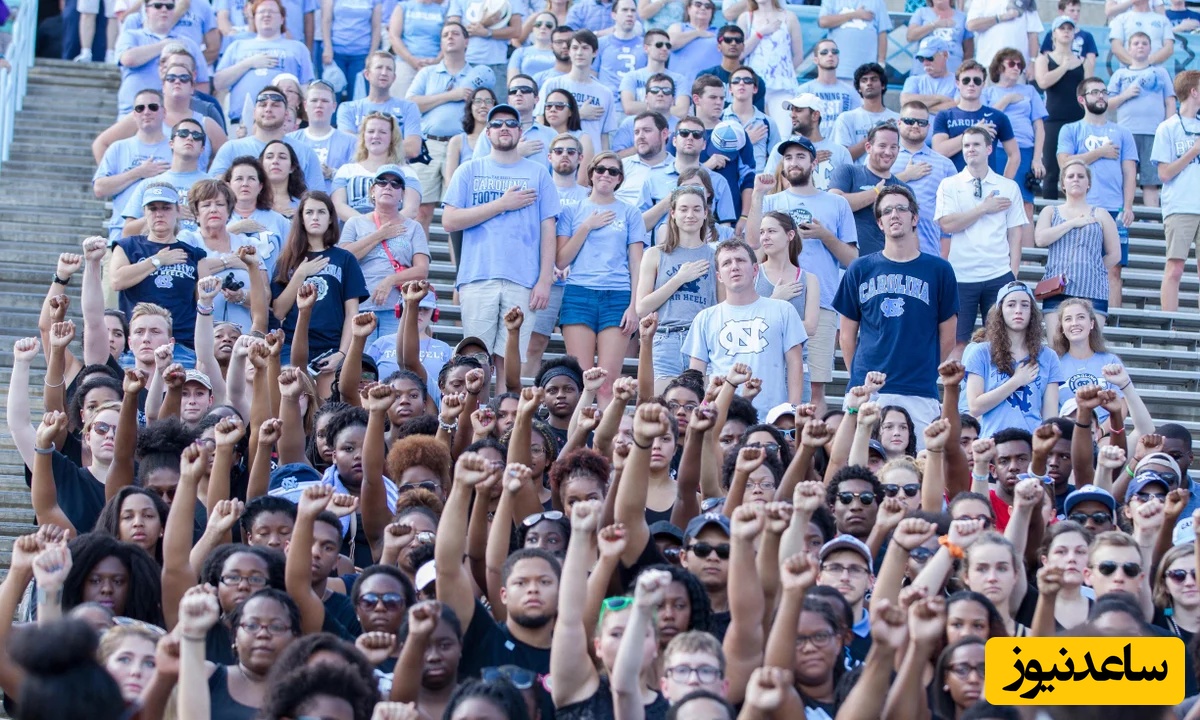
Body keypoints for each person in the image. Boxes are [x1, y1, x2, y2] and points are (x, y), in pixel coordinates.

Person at [442, 103, 561, 393]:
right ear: (487, 132)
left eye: (510, 123)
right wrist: (501, 205)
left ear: (521, 132)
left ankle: (505, 421)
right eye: (496, 124)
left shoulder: (539, 173)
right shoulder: (469, 170)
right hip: (478, 276)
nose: (504, 128)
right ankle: (476, 418)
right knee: (476, 359)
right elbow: (449, 221)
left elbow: (549, 230)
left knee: (510, 359)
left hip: (523, 279)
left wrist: (545, 279)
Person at [835, 186, 958, 440]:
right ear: (879, 223)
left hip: (918, 389)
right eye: (887, 211)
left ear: (914, 218)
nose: (894, 215)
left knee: (921, 467)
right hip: (868, 388)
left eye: (901, 209)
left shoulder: (939, 270)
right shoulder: (860, 269)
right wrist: (859, 377)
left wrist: (926, 371)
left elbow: (948, 336)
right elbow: (846, 336)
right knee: (860, 465)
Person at [747, 136, 856, 414]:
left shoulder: (836, 203)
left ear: (813, 162)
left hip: (822, 302)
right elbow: (753, 246)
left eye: (800, 157)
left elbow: (852, 260)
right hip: (771, 296)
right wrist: (758, 196)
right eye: (789, 158)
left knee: (815, 386)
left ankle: (811, 449)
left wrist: (824, 235)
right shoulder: (771, 201)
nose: (793, 163)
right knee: (765, 374)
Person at [555, 152, 645, 404]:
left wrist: (634, 306)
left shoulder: (630, 212)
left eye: (613, 171)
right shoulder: (573, 211)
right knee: (583, 381)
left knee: (607, 384)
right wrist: (586, 226)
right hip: (578, 294)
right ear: (591, 173)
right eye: (600, 169)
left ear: (620, 179)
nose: (606, 174)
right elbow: (561, 260)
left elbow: (637, 262)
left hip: (617, 296)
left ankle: (606, 443)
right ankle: (577, 440)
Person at [684, 239, 807, 416]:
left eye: (740, 260)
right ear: (719, 276)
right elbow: (696, 374)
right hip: (722, 418)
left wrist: (792, 410)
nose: (734, 267)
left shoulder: (783, 310)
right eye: (727, 263)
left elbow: (795, 363)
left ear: (755, 269)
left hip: (772, 418)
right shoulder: (705, 318)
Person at [935, 125, 1027, 356]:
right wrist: (983, 208)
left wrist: (1012, 272)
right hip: (961, 274)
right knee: (956, 342)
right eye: (966, 145)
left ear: (989, 148)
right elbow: (947, 224)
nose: (970, 149)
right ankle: (952, 391)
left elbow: (1015, 233)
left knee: (1000, 341)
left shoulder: (1008, 186)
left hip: (998, 273)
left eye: (976, 144)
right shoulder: (949, 184)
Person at [406, 23, 497, 235]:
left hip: (465, 146)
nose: (450, 37)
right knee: (422, 210)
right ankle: (420, 265)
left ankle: (460, 267)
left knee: (459, 213)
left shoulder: (479, 73)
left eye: (455, 33)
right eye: (445, 34)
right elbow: (410, 105)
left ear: (467, 41)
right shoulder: (428, 73)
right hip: (430, 146)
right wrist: (450, 95)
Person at [1057, 76, 1137, 311]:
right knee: (1075, 264)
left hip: (1112, 208)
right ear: (1082, 99)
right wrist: (1100, 152)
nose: (1101, 96)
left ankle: (1108, 323)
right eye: (1094, 92)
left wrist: (1128, 205)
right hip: (1078, 209)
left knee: (1114, 267)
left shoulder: (1123, 132)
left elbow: (1129, 171)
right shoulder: (1070, 129)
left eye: (1104, 92)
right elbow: (1064, 163)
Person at [271, 191, 369, 367]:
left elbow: (352, 313)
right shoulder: (287, 259)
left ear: (331, 218)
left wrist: (342, 353)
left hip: (332, 346)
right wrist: (300, 274)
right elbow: (278, 311)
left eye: (321, 212)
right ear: (301, 218)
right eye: (309, 212)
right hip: (291, 345)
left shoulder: (345, 259)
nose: (315, 217)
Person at [635, 185, 718, 389]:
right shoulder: (655, 254)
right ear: (672, 213)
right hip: (665, 338)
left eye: (697, 209)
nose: (690, 215)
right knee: (661, 409)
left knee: (700, 411)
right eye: (683, 209)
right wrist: (679, 279)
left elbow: (723, 305)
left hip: (702, 341)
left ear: (705, 213)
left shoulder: (715, 255)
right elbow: (642, 308)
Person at [337, 164, 431, 340]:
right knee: (361, 365)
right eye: (382, 182)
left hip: (399, 309)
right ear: (373, 190)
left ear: (402, 194)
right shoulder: (355, 223)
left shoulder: (414, 227)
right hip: (359, 308)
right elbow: (344, 258)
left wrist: (390, 280)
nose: (388, 186)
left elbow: (422, 270)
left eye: (396, 184)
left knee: (394, 363)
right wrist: (380, 235)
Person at [1033, 160, 1121, 336]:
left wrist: (1093, 269)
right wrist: (1073, 223)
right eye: (1070, 176)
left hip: (1092, 290)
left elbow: (1115, 254)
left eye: (1081, 176)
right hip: (1057, 288)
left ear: (1088, 183)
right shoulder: (1051, 211)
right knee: (1057, 347)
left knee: (1090, 347)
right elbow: (1041, 239)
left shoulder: (1100, 214)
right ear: (1062, 183)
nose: (1076, 179)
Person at [964, 281, 1063, 436]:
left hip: (1031, 446)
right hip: (992, 443)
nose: (1018, 310)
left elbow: (1050, 417)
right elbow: (975, 407)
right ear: (1000, 311)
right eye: (1011, 305)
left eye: (1025, 305)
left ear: (1032, 312)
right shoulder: (980, 353)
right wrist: (1016, 381)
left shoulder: (1049, 357)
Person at [982, 48, 1046, 247]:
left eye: (1020, 65)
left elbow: (1039, 126)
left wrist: (1037, 158)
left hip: (1025, 150)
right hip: (996, 150)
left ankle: (1027, 256)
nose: (1017, 68)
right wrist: (1008, 99)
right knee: (996, 201)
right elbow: (987, 118)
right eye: (1012, 64)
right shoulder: (988, 92)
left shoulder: (1030, 91)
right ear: (999, 66)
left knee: (1025, 203)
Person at [213, 0, 314, 126]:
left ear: (282, 18)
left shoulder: (298, 48)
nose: (267, 15)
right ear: (253, 17)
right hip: (242, 122)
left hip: (284, 122)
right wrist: (249, 63)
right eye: (261, 12)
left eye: (272, 11)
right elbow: (219, 83)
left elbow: (305, 88)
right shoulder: (236, 46)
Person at [210, 85, 327, 192]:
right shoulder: (231, 148)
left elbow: (317, 196)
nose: (268, 109)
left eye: (275, 105)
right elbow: (214, 187)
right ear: (254, 112)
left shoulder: (305, 152)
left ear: (286, 114)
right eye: (263, 105)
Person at [93, 89, 172, 246]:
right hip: (121, 234)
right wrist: (139, 172)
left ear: (164, 112)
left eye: (153, 107)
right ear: (134, 114)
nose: (146, 112)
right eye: (140, 108)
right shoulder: (118, 148)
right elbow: (100, 188)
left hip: (166, 237)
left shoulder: (175, 147)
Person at [1107, 32, 1175, 209]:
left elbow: (1170, 101)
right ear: (1129, 48)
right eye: (1136, 43)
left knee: (1151, 180)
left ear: (1150, 48)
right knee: (1124, 177)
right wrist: (1126, 94)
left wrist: (1168, 129)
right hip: (1126, 133)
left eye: (1144, 43)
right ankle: (1121, 215)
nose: (1140, 46)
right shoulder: (1120, 74)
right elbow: (1108, 104)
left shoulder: (1160, 72)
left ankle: (1152, 220)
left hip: (1153, 132)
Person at [1153, 70, 1200, 312]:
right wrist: (1193, 152)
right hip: (1180, 205)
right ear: (1194, 91)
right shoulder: (1167, 127)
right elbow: (1164, 173)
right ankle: (1170, 322)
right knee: (1176, 267)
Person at [829, 121, 911, 257]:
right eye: (882, 146)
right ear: (868, 147)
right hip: (846, 266)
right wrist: (876, 193)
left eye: (894, 147)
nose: (888, 152)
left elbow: (910, 235)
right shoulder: (848, 172)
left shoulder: (904, 189)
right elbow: (834, 204)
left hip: (885, 268)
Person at [113, 2, 210, 116]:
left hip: (175, 115)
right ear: (146, 10)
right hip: (134, 111)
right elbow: (128, 59)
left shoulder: (188, 43)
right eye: (158, 5)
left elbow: (202, 82)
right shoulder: (131, 35)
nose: (164, 10)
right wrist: (163, 45)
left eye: (169, 7)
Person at [932, 61, 1019, 176]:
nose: (971, 84)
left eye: (977, 81)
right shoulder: (944, 116)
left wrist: (1006, 184)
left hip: (986, 185)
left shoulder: (997, 116)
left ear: (983, 84)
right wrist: (974, 131)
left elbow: (1014, 155)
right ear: (957, 83)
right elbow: (939, 152)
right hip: (952, 185)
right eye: (966, 80)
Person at [539, 30, 620, 153]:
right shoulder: (552, 84)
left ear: (595, 52)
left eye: (585, 48)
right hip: (559, 156)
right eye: (575, 48)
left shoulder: (605, 92)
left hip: (592, 160)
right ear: (569, 52)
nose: (579, 53)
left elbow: (604, 136)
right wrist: (580, 114)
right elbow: (541, 123)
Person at [894, 101, 957, 257]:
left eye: (921, 122)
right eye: (909, 121)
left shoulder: (945, 164)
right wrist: (905, 176)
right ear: (899, 123)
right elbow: (871, 192)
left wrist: (945, 252)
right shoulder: (883, 157)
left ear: (929, 127)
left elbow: (953, 211)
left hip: (930, 250)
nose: (915, 125)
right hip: (884, 248)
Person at [331, 113, 423, 221]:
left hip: (392, 233)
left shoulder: (406, 172)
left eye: (382, 132)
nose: (375, 136)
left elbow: (411, 210)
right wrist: (366, 224)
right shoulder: (346, 171)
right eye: (371, 131)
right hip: (354, 233)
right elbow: (338, 206)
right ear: (363, 136)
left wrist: (382, 228)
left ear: (392, 138)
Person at [1034, 17, 1087, 202]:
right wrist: (1064, 66)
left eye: (1069, 28)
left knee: (1079, 168)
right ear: (1054, 33)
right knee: (1051, 171)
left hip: (1079, 118)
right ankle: (1050, 212)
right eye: (1062, 28)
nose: (1066, 31)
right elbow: (1043, 82)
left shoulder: (1082, 60)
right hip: (1054, 119)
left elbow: (1087, 88)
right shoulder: (1044, 58)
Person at [690, 75, 754, 224]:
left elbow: (748, 179)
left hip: (731, 219)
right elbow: (673, 178)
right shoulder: (684, 133)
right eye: (713, 97)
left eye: (722, 98)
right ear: (696, 99)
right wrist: (705, 167)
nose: (719, 102)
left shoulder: (737, 133)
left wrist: (744, 217)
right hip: (690, 219)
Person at [336, 52, 423, 158]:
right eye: (379, 67)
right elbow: (347, 145)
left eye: (389, 69)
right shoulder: (348, 108)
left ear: (394, 77)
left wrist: (367, 143)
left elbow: (412, 149)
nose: (384, 73)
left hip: (395, 170)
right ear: (367, 74)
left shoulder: (408, 108)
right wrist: (393, 145)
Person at [735, 0, 803, 137]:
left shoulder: (789, 17)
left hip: (782, 89)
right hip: (754, 90)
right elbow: (740, 53)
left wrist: (783, 73)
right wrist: (761, 32)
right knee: (754, 137)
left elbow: (798, 56)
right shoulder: (746, 18)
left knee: (782, 136)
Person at [764, 92, 852, 191]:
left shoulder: (841, 152)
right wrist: (805, 161)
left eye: (798, 110)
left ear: (815, 115)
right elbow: (768, 187)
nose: (792, 115)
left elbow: (849, 191)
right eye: (792, 110)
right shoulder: (781, 149)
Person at [285, 80, 357, 194]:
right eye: (314, 100)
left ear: (334, 106)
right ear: (305, 105)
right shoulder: (289, 140)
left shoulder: (351, 142)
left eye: (324, 101)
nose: (319, 105)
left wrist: (333, 173)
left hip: (336, 206)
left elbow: (356, 180)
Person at [446, 0, 523, 102]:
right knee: (464, 109)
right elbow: (452, 30)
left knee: (497, 108)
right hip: (466, 65)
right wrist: (484, 22)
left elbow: (516, 31)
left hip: (498, 65)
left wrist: (488, 32)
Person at [833, 63, 899, 164]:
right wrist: (872, 136)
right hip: (856, 177)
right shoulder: (846, 118)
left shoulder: (897, 119)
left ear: (883, 85)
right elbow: (841, 158)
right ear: (859, 88)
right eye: (864, 80)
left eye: (874, 79)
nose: (869, 83)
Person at [795, 39, 861, 137]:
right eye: (824, 52)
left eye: (835, 52)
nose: (830, 55)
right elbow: (797, 127)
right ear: (815, 59)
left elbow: (856, 125)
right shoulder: (804, 90)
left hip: (842, 148)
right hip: (813, 148)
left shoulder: (851, 91)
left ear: (838, 57)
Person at [320, 0, 383, 103]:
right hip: (336, 54)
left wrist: (372, 55)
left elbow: (376, 26)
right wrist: (327, 48)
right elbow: (326, 21)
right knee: (332, 96)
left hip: (361, 55)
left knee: (358, 97)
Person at [621, 29, 690, 119]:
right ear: (646, 48)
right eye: (659, 45)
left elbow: (681, 111)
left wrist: (645, 107)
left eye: (668, 45)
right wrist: (663, 108)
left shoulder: (679, 79)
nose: (665, 48)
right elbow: (629, 107)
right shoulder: (631, 77)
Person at [817, 0, 891, 82]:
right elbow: (823, 22)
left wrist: (881, 63)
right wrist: (855, 15)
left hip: (867, 73)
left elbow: (882, 33)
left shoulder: (877, 2)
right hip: (837, 70)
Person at [387, 0, 449, 98]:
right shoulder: (403, 7)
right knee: (401, 104)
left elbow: (447, 38)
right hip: (405, 63)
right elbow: (394, 37)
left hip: (435, 65)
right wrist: (413, 61)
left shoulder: (443, 10)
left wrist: (437, 60)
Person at [595, 0, 647, 116]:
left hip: (638, 109)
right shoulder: (601, 44)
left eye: (633, 10)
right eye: (624, 10)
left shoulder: (646, 46)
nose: (629, 14)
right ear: (614, 15)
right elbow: (592, 75)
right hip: (608, 109)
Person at [613, 76, 679, 157]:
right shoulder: (630, 123)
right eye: (655, 90)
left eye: (666, 91)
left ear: (673, 99)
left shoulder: (680, 126)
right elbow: (616, 157)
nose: (660, 94)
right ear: (646, 98)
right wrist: (644, 144)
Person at [666, 0, 722, 95]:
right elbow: (671, 43)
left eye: (708, 6)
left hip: (710, 92)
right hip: (680, 90)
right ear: (688, 9)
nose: (703, 8)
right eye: (698, 4)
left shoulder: (719, 32)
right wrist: (698, 33)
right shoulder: (679, 27)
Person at [965, 0, 1039, 67]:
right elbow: (971, 25)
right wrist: (1000, 18)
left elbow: (1033, 34)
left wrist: (1032, 62)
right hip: (988, 63)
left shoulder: (1026, 1)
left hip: (1017, 66)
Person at [907, 0, 972, 76]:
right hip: (923, 71)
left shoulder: (962, 17)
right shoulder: (921, 12)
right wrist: (933, 25)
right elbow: (910, 37)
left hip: (953, 72)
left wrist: (964, 72)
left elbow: (969, 50)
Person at [1109, 0, 1174, 70]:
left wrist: (1148, 62)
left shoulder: (1163, 20)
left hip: (1156, 72)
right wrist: (1135, 64)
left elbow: (1169, 47)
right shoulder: (1120, 19)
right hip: (1128, 73)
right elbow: (1116, 47)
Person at [900, 38, 958, 113]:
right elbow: (905, 102)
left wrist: (919, 109)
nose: (925, 63)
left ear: (945, 55)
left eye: (929, 58)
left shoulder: (959, 81)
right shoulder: (913, 80)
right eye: (921, 59)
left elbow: (958, 107)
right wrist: (940, 98)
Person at [1039, 1, 1097, 77]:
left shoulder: (1087, 36)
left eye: (1078, 11)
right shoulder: (1051, 34)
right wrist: (1064, 67)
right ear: (1061, 11)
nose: (1076, 14)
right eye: (1072, 10)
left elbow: (1091, 64)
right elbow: (1047, 62)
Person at [509, 12, 558, 80]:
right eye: (538, 24)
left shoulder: (560, 53)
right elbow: (512, 80)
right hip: (526, 90)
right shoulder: (520, 52)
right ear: (533, 28)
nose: (543, 27)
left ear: (555, 30)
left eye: (548, 25)